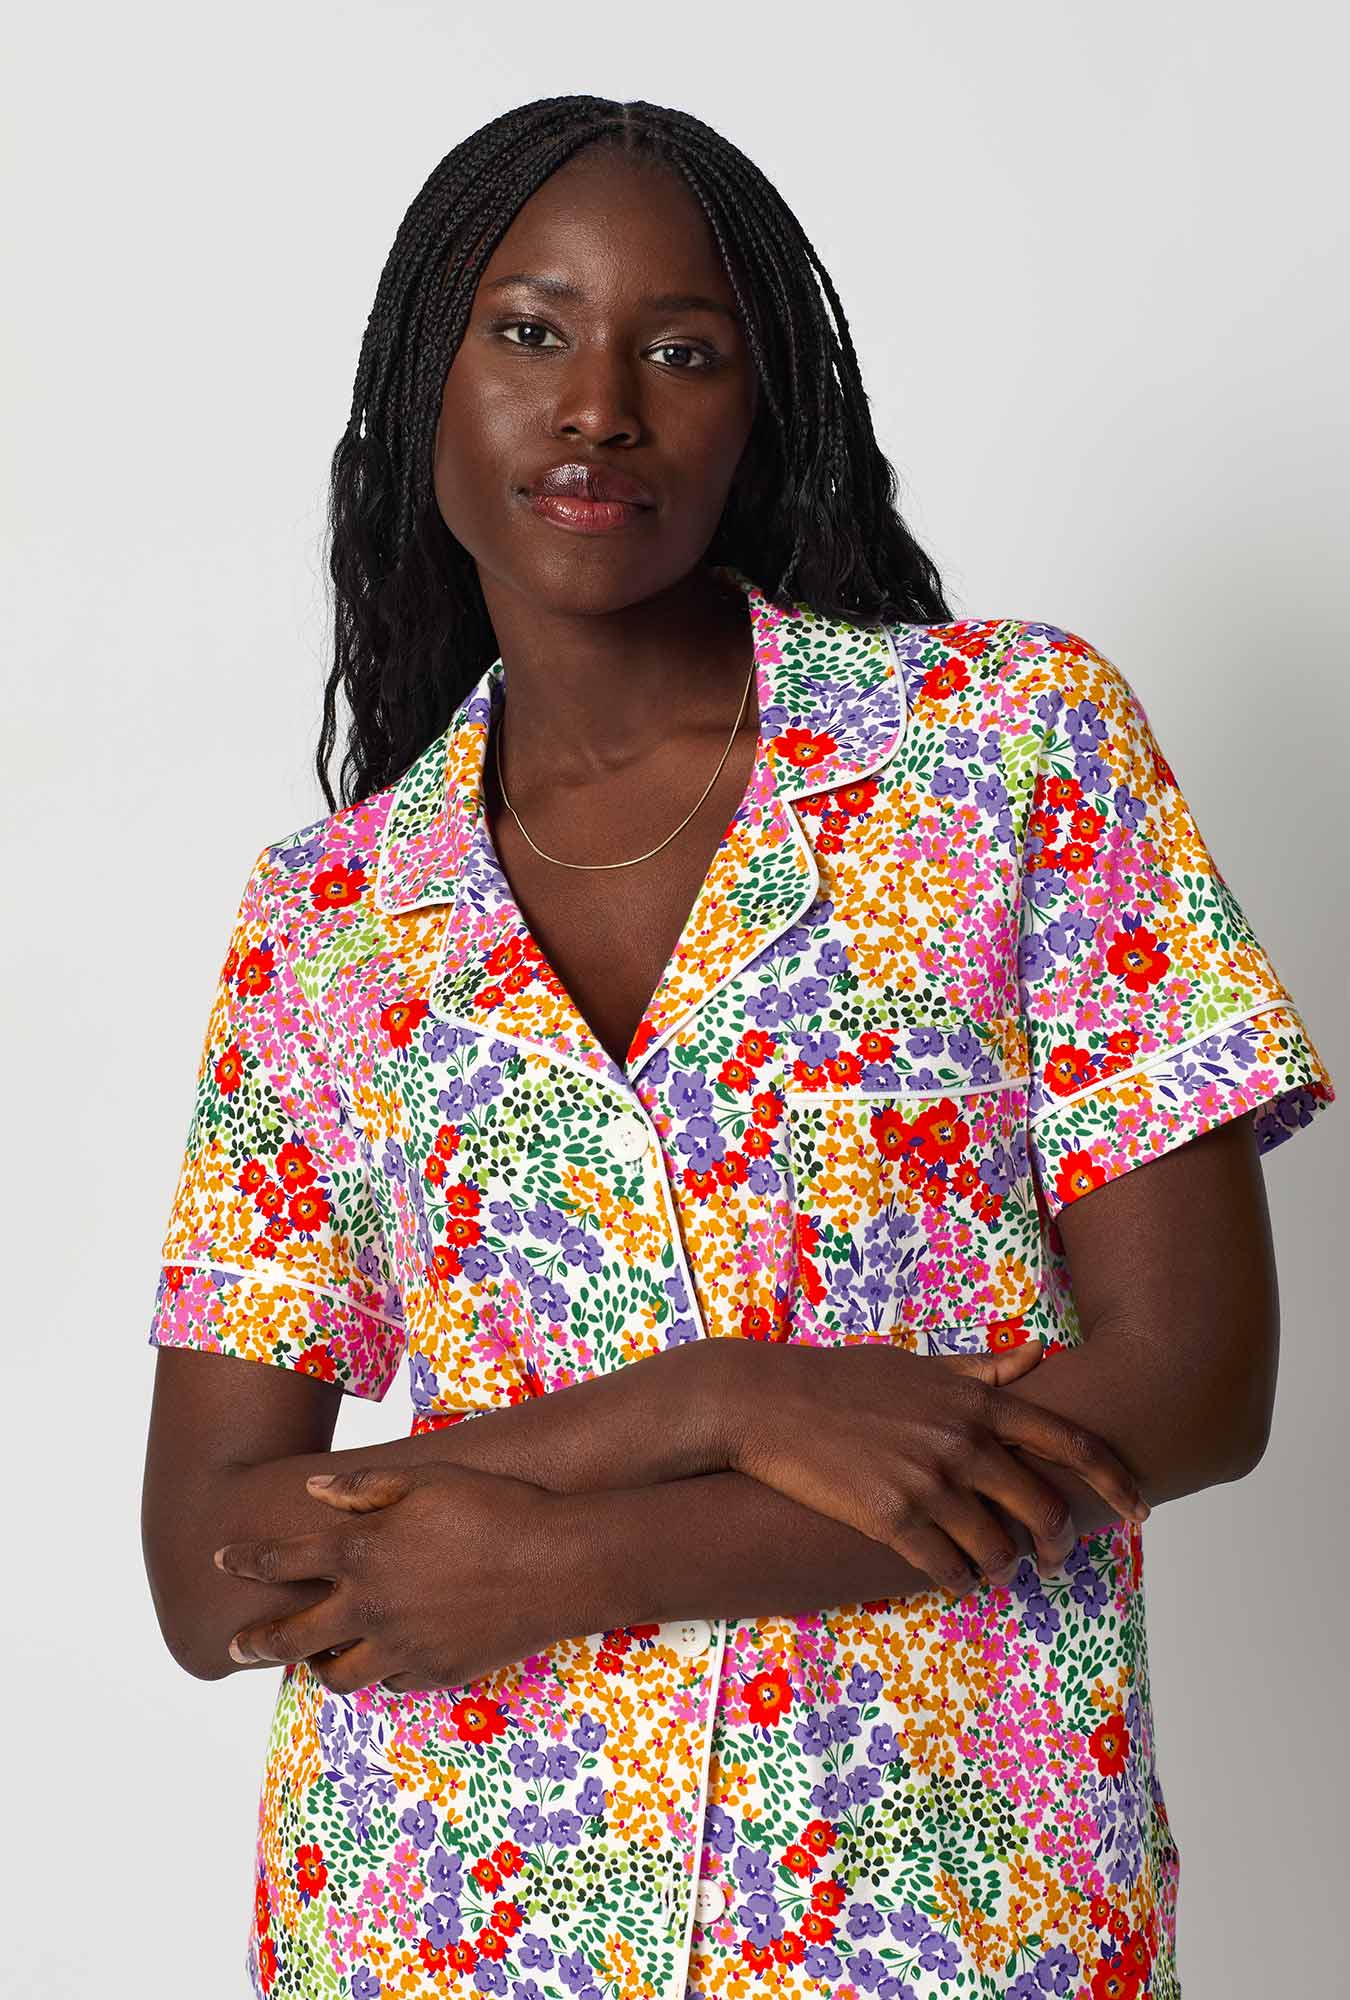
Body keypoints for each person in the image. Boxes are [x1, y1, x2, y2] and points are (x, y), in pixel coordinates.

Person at [139, 94, 1335, 2000]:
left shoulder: (1002, 748)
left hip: (943, 1904)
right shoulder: (328, 916)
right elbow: (208, 1568)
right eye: (529, 330)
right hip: (441, 1913)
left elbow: (1192, 1386)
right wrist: (710, 1399)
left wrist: (574, 1563)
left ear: (761, 413)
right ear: (419, 389)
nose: (597, 405)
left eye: (681, 352)